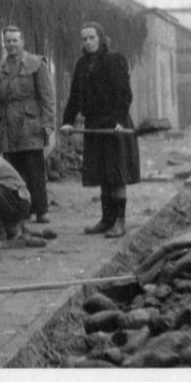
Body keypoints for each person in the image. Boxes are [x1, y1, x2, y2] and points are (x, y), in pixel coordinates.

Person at [60, 22, 140, 238]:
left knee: (116, 174)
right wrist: (67, 121)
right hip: (94, 125)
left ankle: (120, 221)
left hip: (115, 124)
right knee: (103, 173)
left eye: (92, 38)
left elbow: (125, 95)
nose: (88, 42)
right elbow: (75, 96)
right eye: (84, 39)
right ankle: (106, 219)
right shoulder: (82, 65)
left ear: (101, 38)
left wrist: (119, 121)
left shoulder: (114, 60)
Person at [0, 25, 56, 224]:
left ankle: (41, 210)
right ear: (4, 43)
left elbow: (47, 98)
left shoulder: (36, 64)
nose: (11, 45)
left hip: (30, 123)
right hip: (8, 125)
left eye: (15, 40)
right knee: (13, 171)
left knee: (34, 169)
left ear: (22, 42)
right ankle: (21, 210)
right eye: (8, 41)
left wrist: (48, 124)